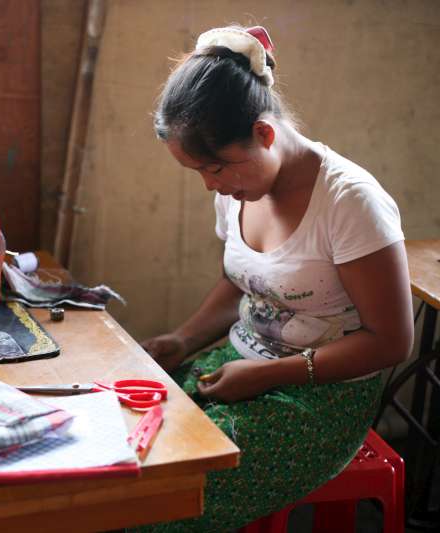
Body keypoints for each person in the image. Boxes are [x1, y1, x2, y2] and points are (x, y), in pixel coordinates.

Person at [138, 26, 413, 532]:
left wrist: (268, 374)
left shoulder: (351, 203)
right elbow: (243, 283)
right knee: (130, 442)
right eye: (198, 172)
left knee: (170, 485)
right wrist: (183, 339)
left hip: (322, 397)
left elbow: (392, 341)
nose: (210, 184)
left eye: (216, 168)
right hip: (239, 365)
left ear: (264, 134)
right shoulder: (238, 185)